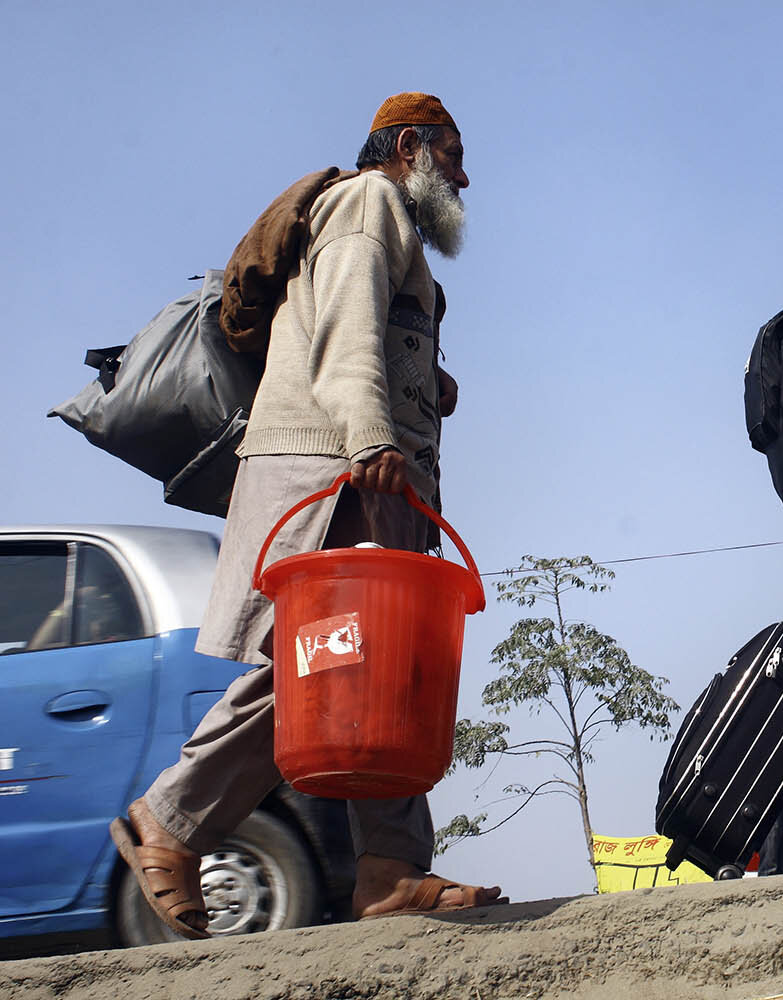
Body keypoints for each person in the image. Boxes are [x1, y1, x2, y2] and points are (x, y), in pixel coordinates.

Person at [109, 92, 503, 938]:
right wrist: (370, 434)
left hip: (366, 476)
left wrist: (424, 386)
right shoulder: (369, 202)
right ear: (408, 146)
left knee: (384, 667)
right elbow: (345, 331)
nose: (464, 177)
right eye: (453, 153)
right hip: (334, 471)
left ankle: (391, 872)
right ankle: (170, 822)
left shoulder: (387, 223)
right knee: (319, 665)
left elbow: (363, 334)